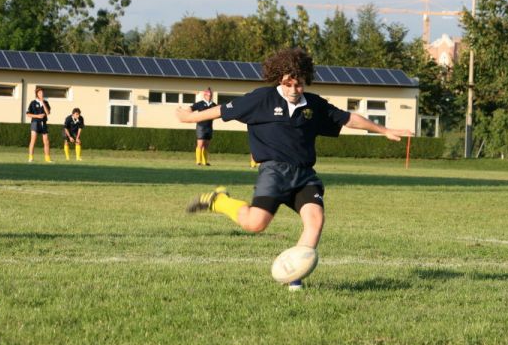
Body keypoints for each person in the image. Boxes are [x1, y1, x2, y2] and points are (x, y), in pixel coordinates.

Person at [175, 48, 411, 290]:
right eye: (289, 84)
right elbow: (222, 111)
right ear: (280, 79)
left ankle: (294, 276)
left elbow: (348, 118)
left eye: (299, 85)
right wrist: (189, 118)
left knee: (315, 220)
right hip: (274, 173)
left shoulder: (315, 105)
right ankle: (220, 201)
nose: (294, 90)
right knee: (255, 224)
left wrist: (384, 130)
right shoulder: (261, 99)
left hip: (305, 175)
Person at [191, 87, 217, 166]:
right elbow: (191, 108)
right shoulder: (200, 104)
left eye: (211, 95)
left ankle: (205, 161)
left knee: (206, 145)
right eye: (208, 95)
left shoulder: (213, 104)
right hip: (201, 126)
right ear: (204, 96)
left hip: (209, 127)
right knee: (200, 144)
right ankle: (198, 161)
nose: (209, 97)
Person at [26, 87, 52, 163]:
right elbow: (28, 114)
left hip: (44, 123)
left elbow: (48, 113)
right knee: (33, 140)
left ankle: (47, 159)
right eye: (40, 93)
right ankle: (30, 158)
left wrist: (43, 102)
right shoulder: (33, 103)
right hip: (35, 123)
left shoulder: (46, 102)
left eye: (42, 92)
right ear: (37, 94)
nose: (42, 94)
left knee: (46, 141)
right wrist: (37, 116)